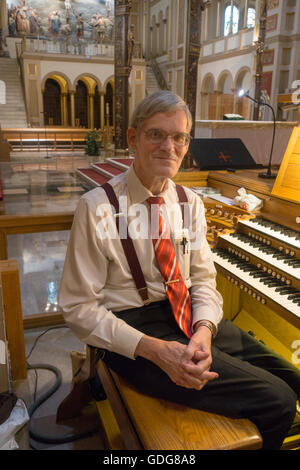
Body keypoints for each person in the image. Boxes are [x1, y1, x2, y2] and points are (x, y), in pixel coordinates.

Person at [58, 90, 300, 450]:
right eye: (156, 134)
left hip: (188, 314)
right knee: (278, 400)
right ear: (133, 138)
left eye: (179, 137)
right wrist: (155, 350)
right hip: (134, 330)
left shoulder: (190, 203)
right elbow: (78, 308)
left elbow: (202, 279)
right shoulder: (97, 208)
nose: (168, 146)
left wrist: (204, 330)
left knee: (293, 378)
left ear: (187, 143)